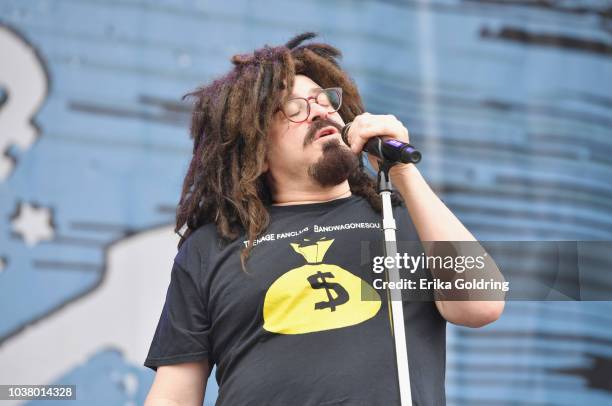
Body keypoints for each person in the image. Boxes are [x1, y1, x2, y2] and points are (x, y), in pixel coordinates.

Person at [143, 32, 505, 406]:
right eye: (294, 108)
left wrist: (403, 175)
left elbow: (481, 306)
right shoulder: (212, 247)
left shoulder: (400, 218)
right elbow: (175, 393)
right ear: (256, 150)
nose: (319, 110)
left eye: (324, 99)